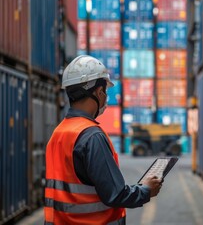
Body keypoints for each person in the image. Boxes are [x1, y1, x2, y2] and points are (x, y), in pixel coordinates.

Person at [44, 55, 162, 224]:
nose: (106, 96)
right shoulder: (91, 136)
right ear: (99, 93)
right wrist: (146, 190)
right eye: (105, 91)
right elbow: (116, 194)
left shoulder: (58, 133)